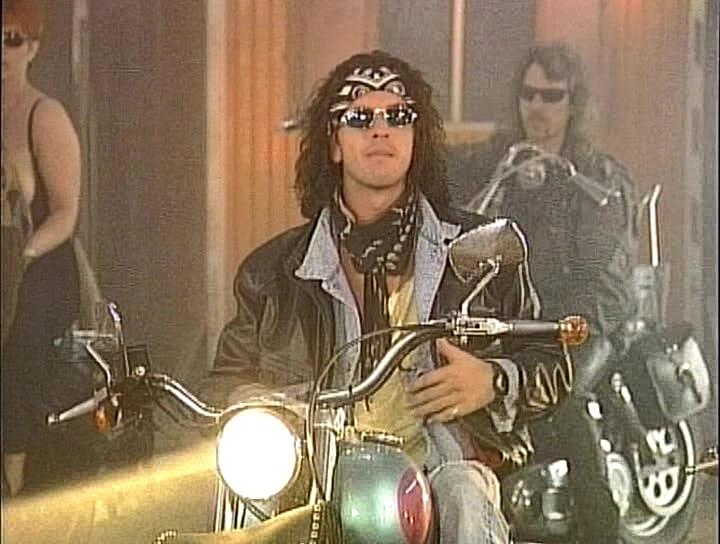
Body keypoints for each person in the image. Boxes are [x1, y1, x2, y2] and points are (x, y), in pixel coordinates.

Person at [211, 49, 573, 543]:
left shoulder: (483, 250)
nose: (380, 130)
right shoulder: (272, 273)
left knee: (465, 495)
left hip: (440, 467)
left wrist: (493, 379)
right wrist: (267, 411)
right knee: (249, 510)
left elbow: (552, 363)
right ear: (334, 142)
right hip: (314, 477)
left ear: (415, 137)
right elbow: (225, 386)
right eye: (360, 117)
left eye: (398, 116)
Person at [448, 42, 638, 542]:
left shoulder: (595, 177)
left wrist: (555, 332)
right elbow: (445, 169)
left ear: (573, 103)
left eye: (551, 96)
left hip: (585, 319)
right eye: (529, 94)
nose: (537, 106)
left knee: (560, 393)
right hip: (519, 319)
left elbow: (600, 276)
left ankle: (602, 528)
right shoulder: (504, 161)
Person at [2, 0, 82, 497]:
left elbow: (65, 214)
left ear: (32, 48)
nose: (1, 53)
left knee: (18, 346)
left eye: (12, 41)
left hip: (40, 262)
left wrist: (20, 258)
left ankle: (13, 477)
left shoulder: (43, 115)